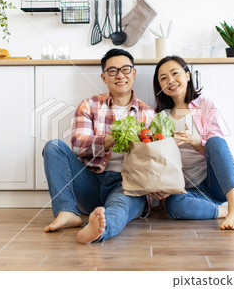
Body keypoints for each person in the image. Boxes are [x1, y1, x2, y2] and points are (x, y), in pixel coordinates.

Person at [42, 48, 154, 244]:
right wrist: (108, 139)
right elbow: (77, 145)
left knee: (121, 206)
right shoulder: (89, 105)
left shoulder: (149, 113)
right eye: (113, 71)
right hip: (91, 181)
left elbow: (154, 158)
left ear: (134, 73)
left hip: (128, 184)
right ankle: (67, 212)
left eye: (126, 69)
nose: (120, 75)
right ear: (104, 77)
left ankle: (97, 230)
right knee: (53, 146)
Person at [151, 55, 234, 230]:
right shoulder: (159, 117)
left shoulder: (204, 105)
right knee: (173, 206)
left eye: (175, 73)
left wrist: (197, 143)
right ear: (160, 85)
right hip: (191, 189)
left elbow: (217, 147)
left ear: (188, 76)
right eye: (164, 78)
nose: (170, 80)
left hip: (217, 181)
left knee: (214, 141)